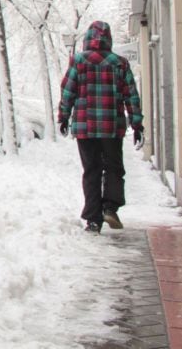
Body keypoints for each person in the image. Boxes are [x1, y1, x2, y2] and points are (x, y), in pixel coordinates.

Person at [57, 20, 144, 234]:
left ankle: (93, 220)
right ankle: (110, 208)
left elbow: (68, 91)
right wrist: (137, 123)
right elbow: (131, 95)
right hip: (111, 127)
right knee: (114, 168)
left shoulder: (78, 61)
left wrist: (63, 117)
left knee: (91, 171)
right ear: (109, 39)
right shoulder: (120, 63)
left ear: (87, 38)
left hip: (85, 128)